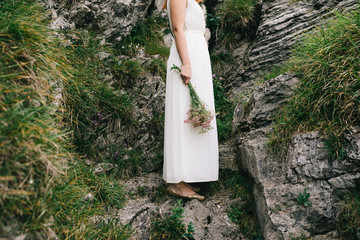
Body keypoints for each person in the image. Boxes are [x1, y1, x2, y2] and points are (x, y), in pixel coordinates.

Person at [162, 0, 219, 200]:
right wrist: (186, 63)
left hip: (196, 54)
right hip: (187, 56)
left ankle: (186, 175)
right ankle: (176, 182)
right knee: (183, 111)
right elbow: (178, 29)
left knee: (192, 111)